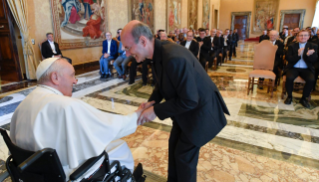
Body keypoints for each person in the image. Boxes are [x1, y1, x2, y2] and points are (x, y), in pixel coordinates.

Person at [121, 20, 229, 182]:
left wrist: (155, 111)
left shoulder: (173, 57)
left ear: (143, 41)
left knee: (183, 157)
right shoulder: (158, 52)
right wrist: (152, 102)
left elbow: (190, 100)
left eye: (128, 48)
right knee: (174, 149)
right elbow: (162, 82)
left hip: (201, 113)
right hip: (185, 112)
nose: (127, 53)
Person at [10, 57, 144, 181]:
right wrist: (137, 116)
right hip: (64, 174)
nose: (75, 80)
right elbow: (109, 127)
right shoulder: (66, 105)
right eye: (72, 75)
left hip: (33, 173)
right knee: (119, 146)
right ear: (55, 77)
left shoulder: (23, 104)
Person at [284, 30, 318, 108]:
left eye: (305, 35)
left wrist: (308, 55)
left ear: (308, 37)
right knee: (289, 78)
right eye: (301, 35)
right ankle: (289, 97)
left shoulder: (313, 46)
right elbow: (288, 58)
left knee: (311, 80)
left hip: (306, 69)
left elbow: (314, 60)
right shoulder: (292, 46)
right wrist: (298, 55)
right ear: (297, 37)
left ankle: (304, 98)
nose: (303, 37)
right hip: (293, 68)